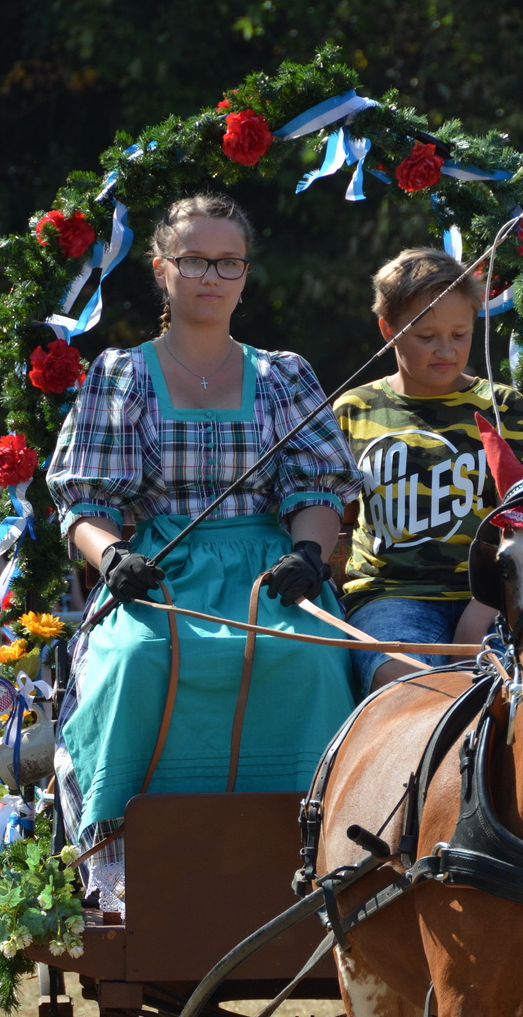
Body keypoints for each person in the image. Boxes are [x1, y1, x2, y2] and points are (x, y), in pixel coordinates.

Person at [46, 192, 361, 909]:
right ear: (161, 270)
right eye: (193, 260)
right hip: (156, 571)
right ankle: (125, 864)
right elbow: (84, 504)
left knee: (312, 656)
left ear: (245, 275)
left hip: (269, 573)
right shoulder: (120, 375)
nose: (210, 276)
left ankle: (315, 857)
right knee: (133, 660)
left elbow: (316, 490)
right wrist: (114, 559)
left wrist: (309, 556)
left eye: (227, 262)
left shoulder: (284, 374)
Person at [333, 248, 523, 693]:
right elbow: (337, 515)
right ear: (388, 330)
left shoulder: (503, 407)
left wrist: (482, 609)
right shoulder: (353, 410)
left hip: (490, 597)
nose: (445, 350)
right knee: (405, 683)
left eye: (460, 334)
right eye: (426, 336)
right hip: (390, 598)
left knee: (512, 687)